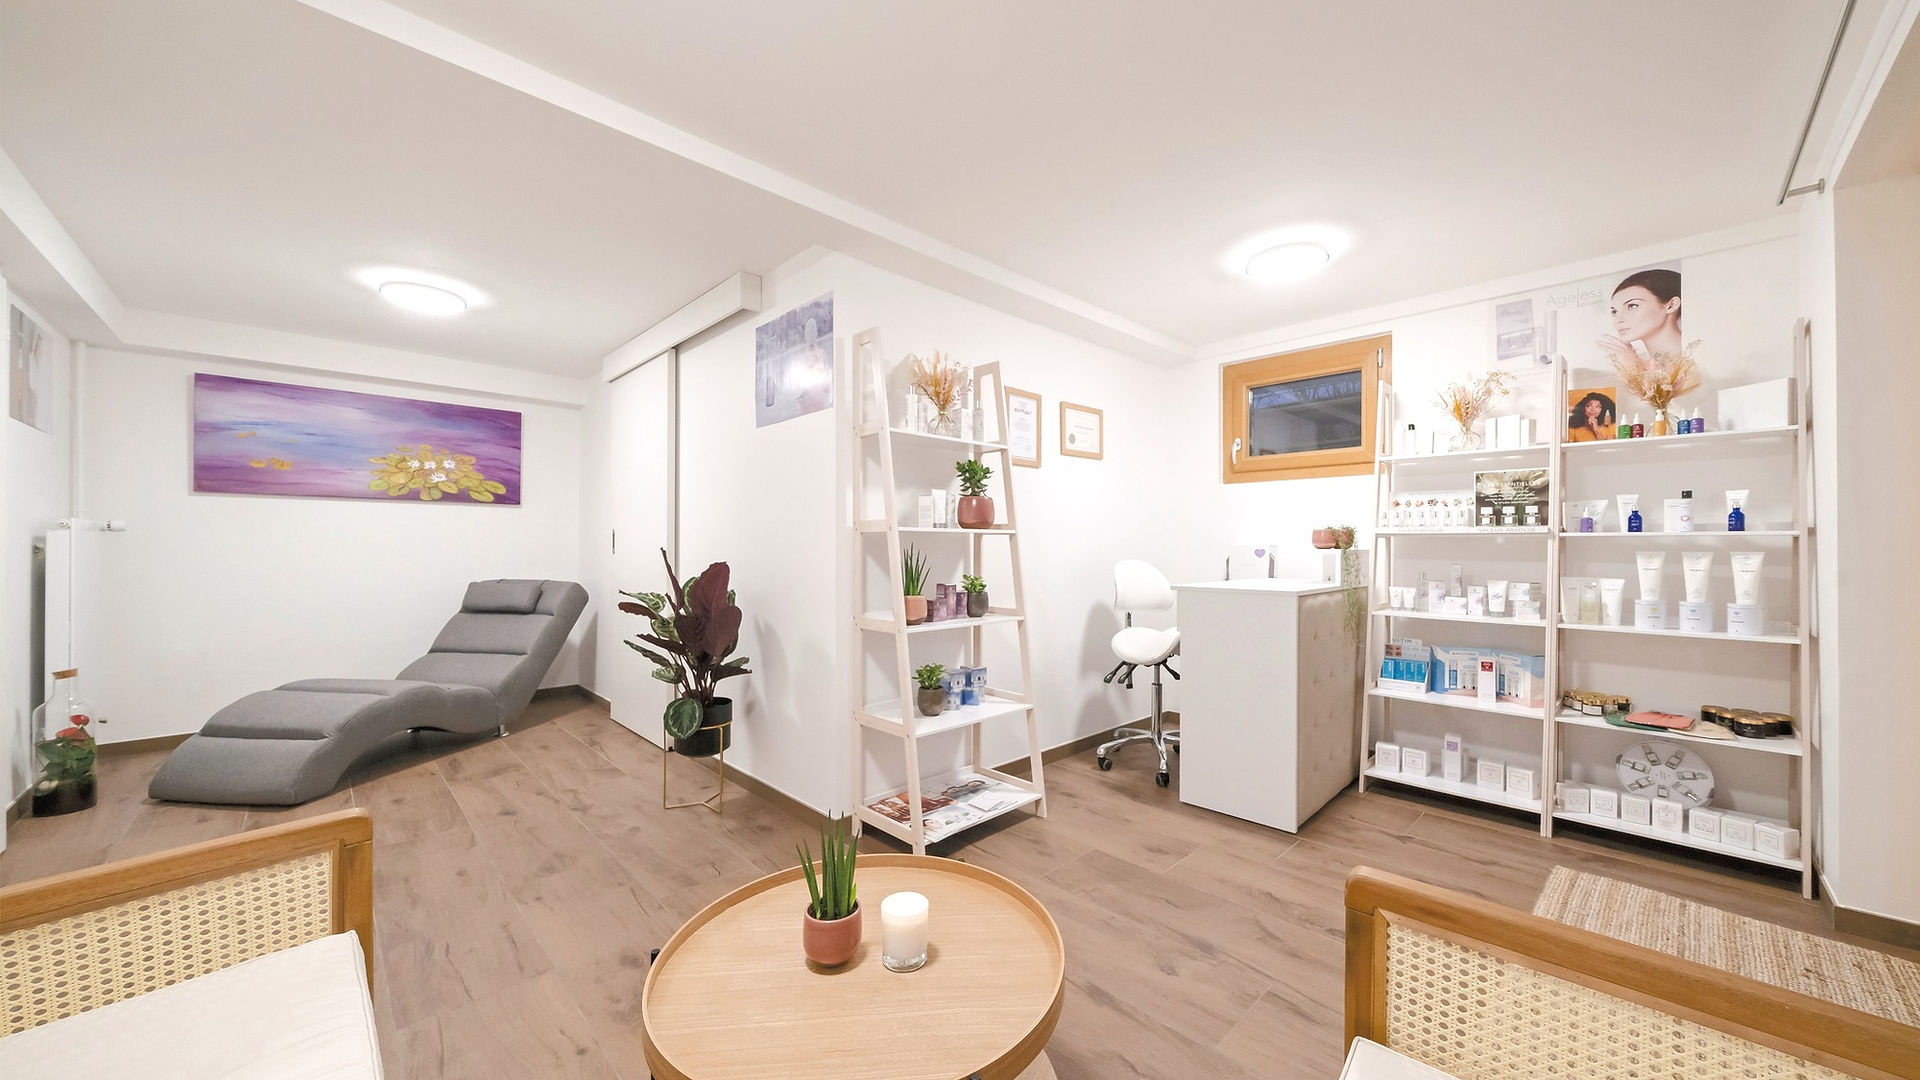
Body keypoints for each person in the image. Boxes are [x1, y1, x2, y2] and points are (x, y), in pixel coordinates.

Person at [1599, 268, 1683, 364]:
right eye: (1614, 312)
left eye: (1632, 306)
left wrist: (1632, 369)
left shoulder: (1695, 357)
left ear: (1671, 305)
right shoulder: (1640, 366)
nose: (1618, 320)